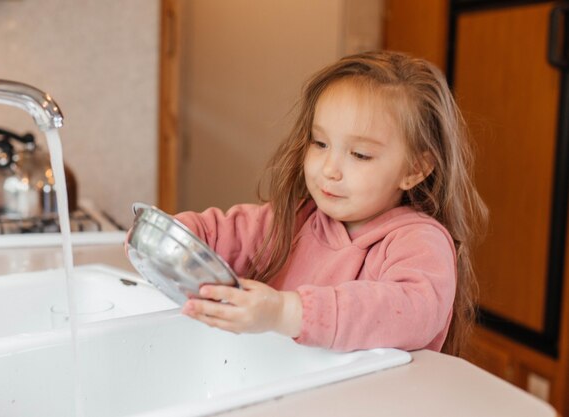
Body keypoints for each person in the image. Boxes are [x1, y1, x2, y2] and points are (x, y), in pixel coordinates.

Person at [176, 50, 488, 356]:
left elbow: (409, 309)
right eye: (320, 143)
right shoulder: (294, 218)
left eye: (360, 155)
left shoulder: (419, 241)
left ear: (415, 169)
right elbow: (222, 232)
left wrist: (285, 311)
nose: (329, 169)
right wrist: (174, 236)